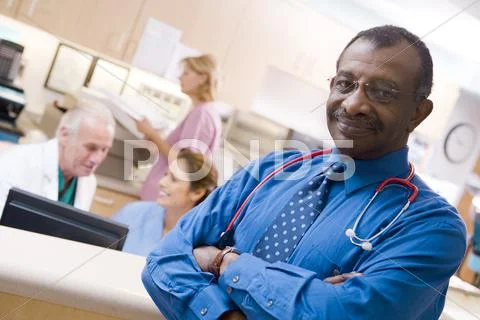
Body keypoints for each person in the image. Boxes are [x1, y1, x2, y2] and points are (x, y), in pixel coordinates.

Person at [141, 25, 467, 320]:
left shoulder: (431, 226)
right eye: (346, 83)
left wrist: (224, 263)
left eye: (382, 92)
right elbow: (164, 259)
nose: (354, 104)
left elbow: (345, 316)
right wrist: (225, 316)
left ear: (418, 113)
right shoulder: (272, 169)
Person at [0, 99, 115, 215]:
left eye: (104, 150)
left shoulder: (88, 181)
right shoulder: (16, 163)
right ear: (65, 135)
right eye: (91, 147)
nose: (97, 159)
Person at [137, 54, 222, 201]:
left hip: (165, 196)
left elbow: (186, 164)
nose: (180, 77)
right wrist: (154, 137)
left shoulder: (202, 114)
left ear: (202, 78)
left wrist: (152, 133)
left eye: (186, 73)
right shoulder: (204, 111)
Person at [112, 150, 218, 256]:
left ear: (197, 192)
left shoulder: (203, 244)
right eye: (165, 174)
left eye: (174, 179)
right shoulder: (132, 212)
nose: (161, 182)